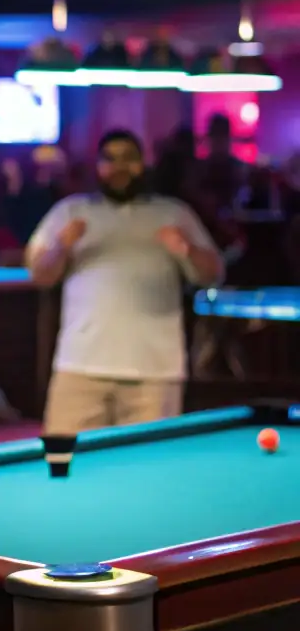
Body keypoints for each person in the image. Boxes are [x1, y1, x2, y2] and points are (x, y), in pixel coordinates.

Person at [27, 128, 223, 433]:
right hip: (80, 369)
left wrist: (186, 249)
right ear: (98, 166)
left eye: (129, 158)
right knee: (63, 464)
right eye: (111, 159)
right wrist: (61, 246)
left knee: (151, 472)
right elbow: (40, 276)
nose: (120, 167)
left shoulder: (173, 213)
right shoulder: (69, 212)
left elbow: (213, 275)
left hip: (156, 374)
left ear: (143, 163)